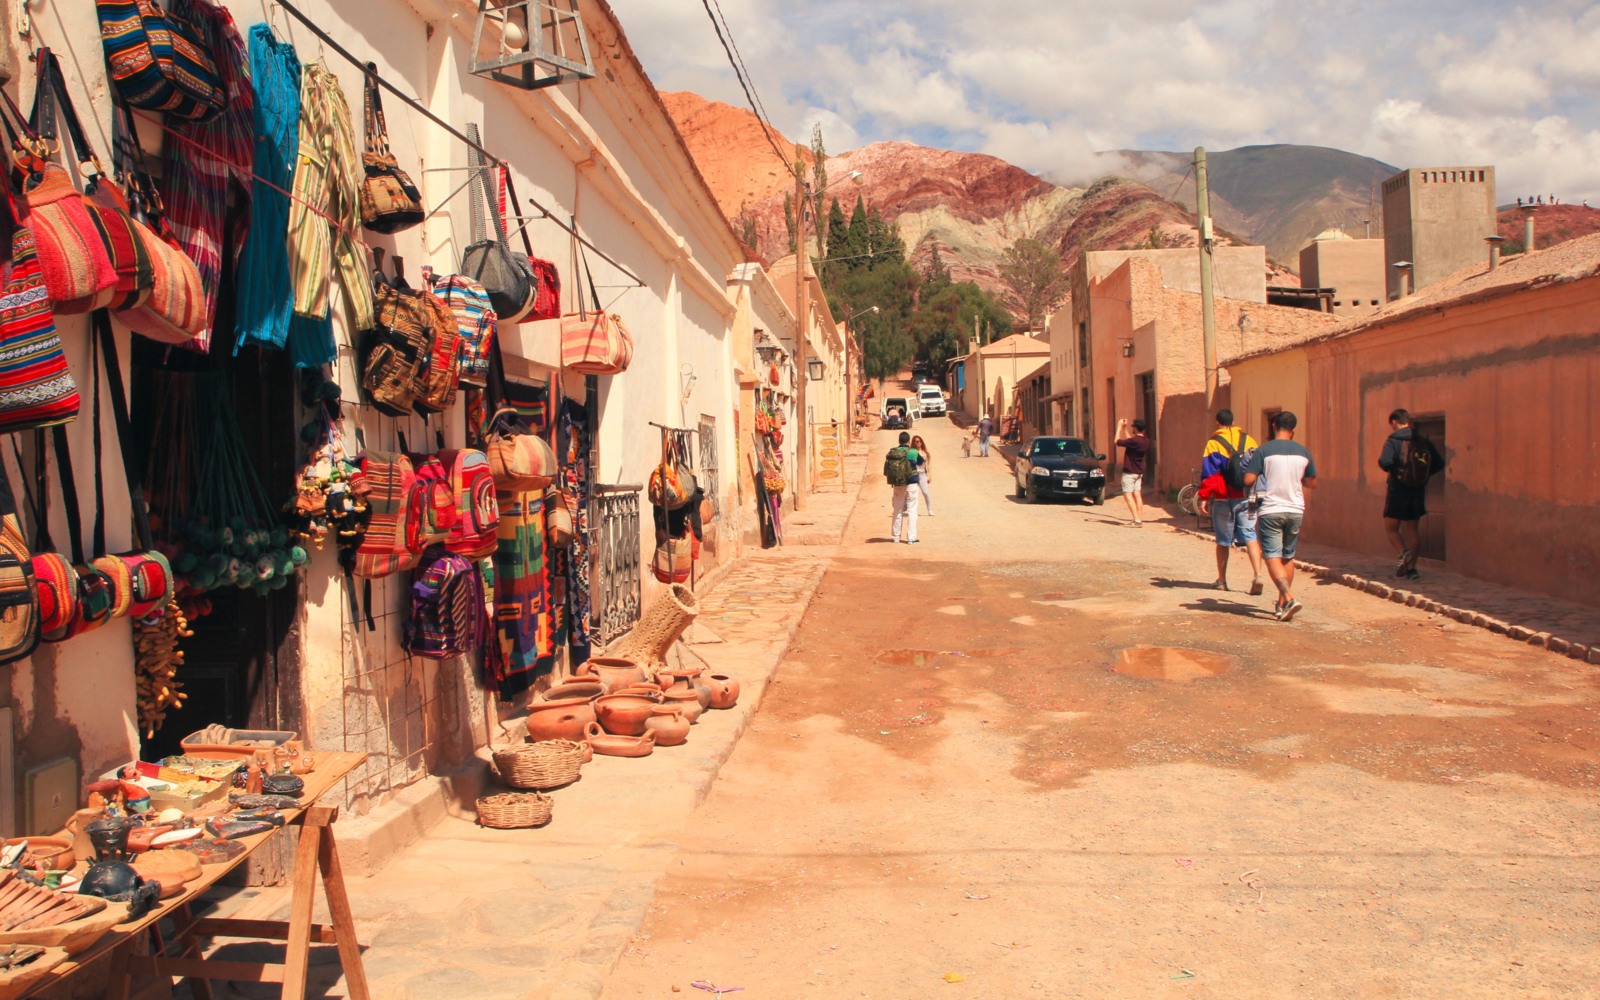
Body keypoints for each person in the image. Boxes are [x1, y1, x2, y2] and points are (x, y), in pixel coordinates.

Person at [1244, 411, 1316, 621]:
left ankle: (1289, 597)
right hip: (1295, 510)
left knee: (1271, 555)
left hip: (1271, 509)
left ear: (1273, 425)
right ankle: (1282, 604)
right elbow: (1312, 483)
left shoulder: (1263, 450)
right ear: (1294, 429)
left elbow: (1249, 479)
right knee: (1288, 556)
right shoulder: (1304, 452)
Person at [1198, 409, 1265, 594]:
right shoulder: (1249, 440)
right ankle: (1258, 574)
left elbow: (1210, 473)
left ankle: (1222, 580)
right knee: (1250, 534)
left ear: (1217, 422)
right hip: (1247, 496)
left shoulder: (1214, 443)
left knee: (1223, 540)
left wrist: (1203, 497)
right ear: (1233, 421)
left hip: (1224, 497)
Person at [1377, 408, 1442, 580]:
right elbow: (1439, 463)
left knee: (1391, 528)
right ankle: (1412, 569)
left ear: (1394, 422)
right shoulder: (1422, 440)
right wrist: (1422, 475)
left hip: (1397, 490)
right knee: (1412, 529)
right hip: (1417, 491)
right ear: (1408, 422)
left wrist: (1396, 472)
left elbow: (1384, 462)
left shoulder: (1393, 440)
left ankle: (1403, 552)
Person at [885, 431, 920, 544]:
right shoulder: (913, 451)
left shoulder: (894, 452)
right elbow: (921, 461)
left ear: (899, 441)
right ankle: (911, 538)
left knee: (897, 510)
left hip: (898, 483)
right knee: (912, 510)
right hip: (912, 483)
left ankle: (895, 537)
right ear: (909, 441)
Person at [1114, 417, 1151, 526]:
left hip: (1129, 472)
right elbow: (1131, 439)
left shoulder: (1134, 441)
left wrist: (1119, 427)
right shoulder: (1145, 440)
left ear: (1136, 428)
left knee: (1127, 495)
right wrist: (1125, 429)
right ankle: (1139, 518)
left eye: (1132, 426)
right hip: (1138, 471)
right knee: (1137, 494)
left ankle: (1136, 520)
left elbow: (1116, 442)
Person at [910, 434, 934, 516]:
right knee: (914, 494)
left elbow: (929, 465)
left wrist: (929, 476)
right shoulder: (912, 452)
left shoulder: (925, 453)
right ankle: (914, 510)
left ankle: (930, 510)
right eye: (916, 441)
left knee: (926, 492)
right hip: (914, 474)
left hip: (923, 474)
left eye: (919, 441)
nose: (918, 443)